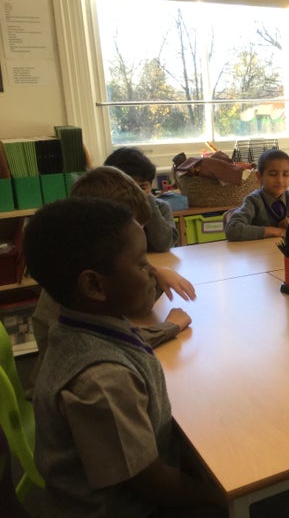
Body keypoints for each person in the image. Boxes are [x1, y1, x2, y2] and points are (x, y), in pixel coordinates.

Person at [23, 197, 226, 516]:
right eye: (142, 263)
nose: (153, 273)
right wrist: (219, 495)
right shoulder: (102, 381)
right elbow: (151, 482)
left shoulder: (78, 325)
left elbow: (127, 342)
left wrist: (167, 329)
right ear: (94, 285)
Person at [27, 166, 196, 399]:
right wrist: (168, 328)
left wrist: (154, 273)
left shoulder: (79, 286)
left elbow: (128, 306)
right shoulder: (102, 377)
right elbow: (113, 342)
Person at [223, 149, 289, 241]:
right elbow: (232, 229)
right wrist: (272, 231)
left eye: (285, 175)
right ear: (259, 176)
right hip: (261, 253)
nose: (280, 180)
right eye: (273, 174)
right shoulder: (253, 201)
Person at [104, 147, 179, 252]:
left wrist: (148, 202)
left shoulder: (161, 208)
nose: (137, 194)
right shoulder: (107, 211)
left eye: (142, 187)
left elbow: (164, 245)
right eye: (129, 188)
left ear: (150, 185)